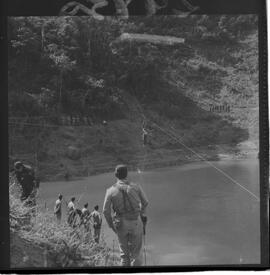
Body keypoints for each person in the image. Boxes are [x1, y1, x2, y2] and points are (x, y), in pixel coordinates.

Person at [103, 164, 149, 266]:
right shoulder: (136, 187)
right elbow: (145, 202)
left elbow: (106, 211)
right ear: (127, 174)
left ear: (116, 175)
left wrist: (112, 226)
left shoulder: (110, 191)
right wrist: (141, 214)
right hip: (136, 222)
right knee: (136, 254)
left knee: (124, 255)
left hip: (120, 223)